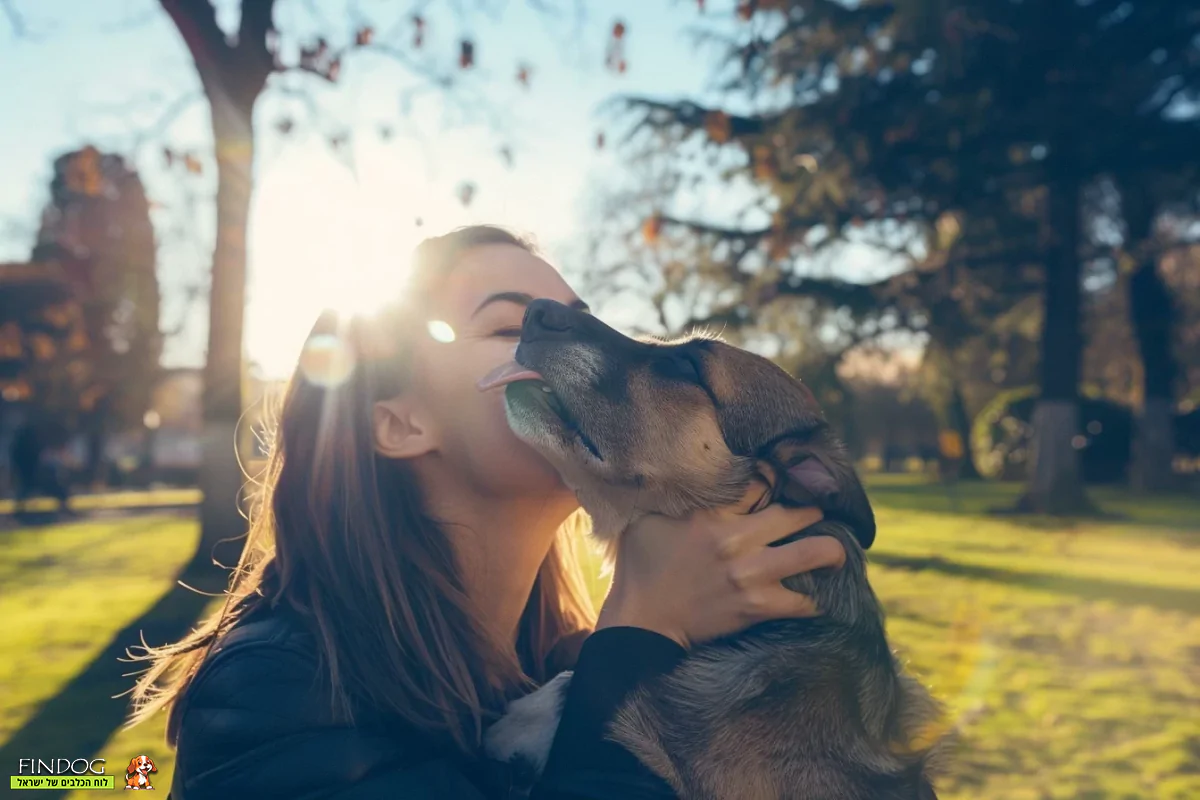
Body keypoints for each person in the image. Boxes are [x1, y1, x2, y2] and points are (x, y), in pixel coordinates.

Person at [128, 226, 847, 799]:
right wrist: (642, 633)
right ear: (401, 425)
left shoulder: (554, 670)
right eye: (514, 326)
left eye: (575, 321)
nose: (572, 342)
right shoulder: (274, 698)